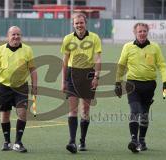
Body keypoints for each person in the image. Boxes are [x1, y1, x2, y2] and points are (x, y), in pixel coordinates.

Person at [115, 23, 166, 153]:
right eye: (139, 31)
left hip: (149, 85)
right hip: (132, 84)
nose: (142, 33)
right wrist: (117, 82)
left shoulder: (154, 47)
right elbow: (121, 65)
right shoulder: (128, 47)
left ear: (147, 32)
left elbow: (162, 65)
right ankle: (134, 140)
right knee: (134, 110)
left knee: (144, 114)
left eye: (144, 31)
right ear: (135, 32)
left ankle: (142, 140)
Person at [0, 26, 37, 153]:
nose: (16, 37)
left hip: (21, 87)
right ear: (8, 36)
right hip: (5, 88)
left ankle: (18, 142)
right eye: (13, 34)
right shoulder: (0, 50)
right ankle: (7, 142)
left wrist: (35, 85)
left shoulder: (27, 50)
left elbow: (32, 70)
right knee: (5, 115)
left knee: (22, 113)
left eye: (18, 34)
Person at [61, 12, 102, 154]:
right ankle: (71, 141)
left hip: (88, 74)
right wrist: (64, 81)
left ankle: (82, 141)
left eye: (81, 22)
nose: (79, 25)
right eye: (76, 23)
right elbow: (65, 62)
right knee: (72, 109)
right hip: (72, 74)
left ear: (85, 23)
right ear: (73, 24)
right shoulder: (67, 39)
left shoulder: (94, 38)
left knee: (85, 109)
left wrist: (96, 77)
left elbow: (97, 59)